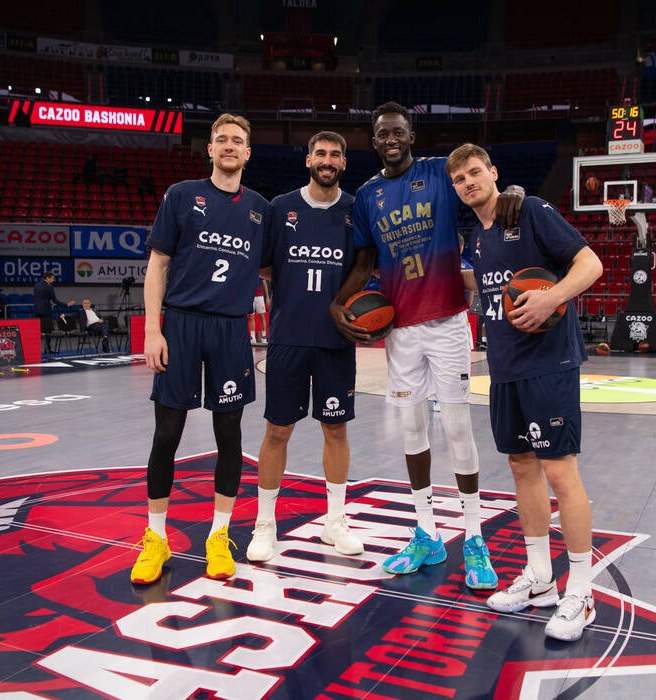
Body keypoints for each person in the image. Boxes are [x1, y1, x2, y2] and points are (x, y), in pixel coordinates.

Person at [329, 101, 522, 591]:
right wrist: (340, 302)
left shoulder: (441, 174)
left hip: (448, 322)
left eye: (398, 131)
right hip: (401, 330)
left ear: (410, 134)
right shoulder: (368, 195)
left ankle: (474, 537)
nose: (391, 139)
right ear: (373, 142)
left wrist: (514, 191)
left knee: (457, 426)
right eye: (382, 134)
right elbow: (365, 259)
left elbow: (484, 198)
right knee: (412, 430)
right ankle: (426, 532)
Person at [448, 143, 602, 642]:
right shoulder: (477, 236)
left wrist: (553, 297)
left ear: (494, 173)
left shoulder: (530, 210)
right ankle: (539, 577)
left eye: (476, 173)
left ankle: (581, 590)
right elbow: (487, 285)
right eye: (460, 179)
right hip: (505, 368)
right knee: (521, 465)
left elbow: (590, 264)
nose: (469, 182)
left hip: (549, 362)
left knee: (561, 470)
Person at [130, 113, 269, 586]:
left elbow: (273, 271)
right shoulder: (181, 196)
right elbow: (158, 264)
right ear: (210, 149)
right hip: (182, 325)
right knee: (166, 434)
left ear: (248, 153)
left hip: (231, 330)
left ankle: (219, 535)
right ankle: (155, 538)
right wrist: (153, 330)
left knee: (229, 435)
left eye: (238, 141)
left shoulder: (260, 210)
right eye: (222, 140)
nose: (229, 146)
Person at [246, 130, 364, 562]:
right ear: (308, 160)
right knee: (277, 430)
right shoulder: (281, 208)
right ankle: (264, 525)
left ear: (344, 163)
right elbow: (263, 265)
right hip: (288, 337)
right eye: (321, 153)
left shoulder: (355, 209)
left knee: (336, 429)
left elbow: (364, 266)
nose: (327, 160)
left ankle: (335, 521)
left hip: (336, 341)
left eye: (335, 154)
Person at [33, 272, 75, 354]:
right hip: (46, 311)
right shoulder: (49, 287)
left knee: (40, 331)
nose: (53, 280)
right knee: (48, 331)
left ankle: (40, 349)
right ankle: (47, 349)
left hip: (37, 311)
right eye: (52, 278)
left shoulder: (36, 285)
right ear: (47, 278)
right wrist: (66, 305)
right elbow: (55, 300)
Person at [249, 280, 269, 344]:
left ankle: (264, 337)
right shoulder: (247, 272)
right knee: (251, 316)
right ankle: (252, 338)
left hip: (259, 295)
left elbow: (264, 283)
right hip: (250, 296)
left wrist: (267, 297)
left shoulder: (259, 271)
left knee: (262, 316)